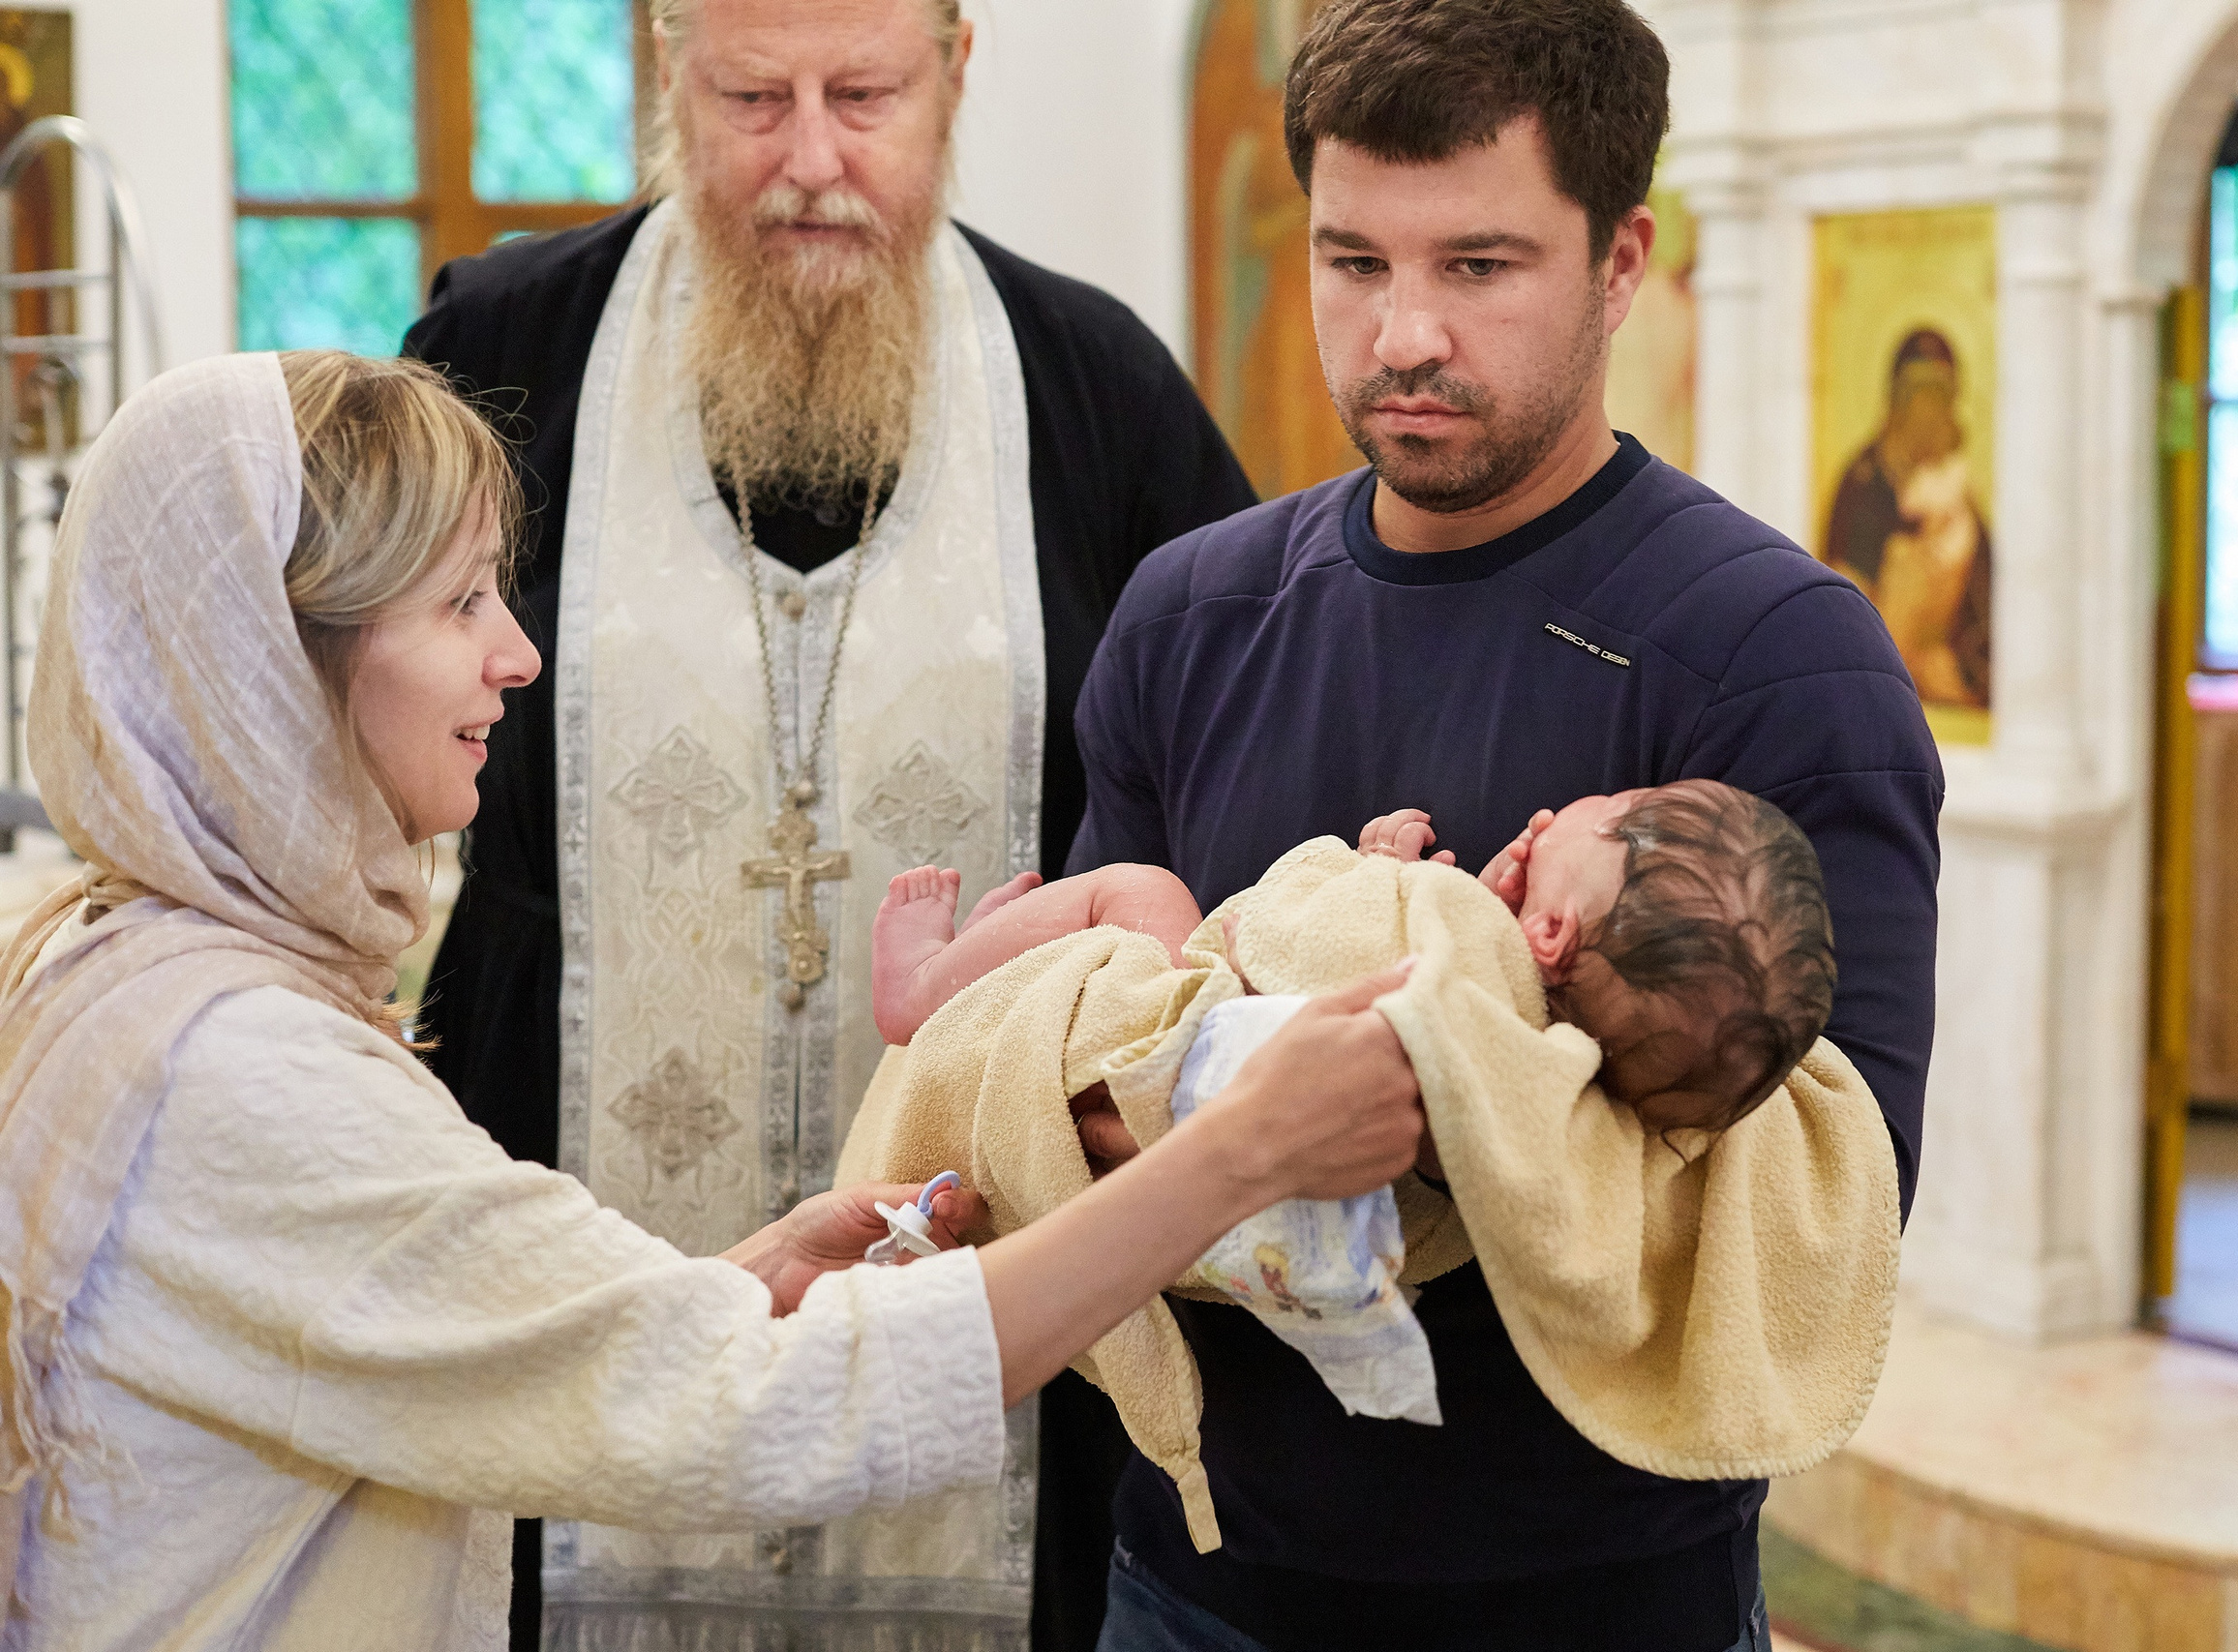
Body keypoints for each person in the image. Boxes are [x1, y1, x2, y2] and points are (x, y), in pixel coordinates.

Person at [0, 350, 1421, 1651]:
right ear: (274, 669)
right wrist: (1238, 1152)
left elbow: (424, 1332)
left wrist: (748, 1277)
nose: (519, 653)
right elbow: (742, 1411)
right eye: (458, 601)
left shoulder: (129, 972)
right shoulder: (242, 1071)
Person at [1064, 2, 1946, 1647]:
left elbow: (1829, 1202)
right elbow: (1071, 1081)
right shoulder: (1193, 611)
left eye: (1479, 266)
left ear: (1622, 264)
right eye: (1353, 261)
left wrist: (1274, 1115)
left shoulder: (1777, 657)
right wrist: (1311, 1115)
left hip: (1592, 1600)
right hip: (1191, 1580)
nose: (1402, 334)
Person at [399, 0, 1255, 1642]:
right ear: (666, 71)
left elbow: (1218, 795)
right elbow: (343, 708)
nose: (809, 160)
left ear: (955, 71)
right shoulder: (504, 355)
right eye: (748, 96)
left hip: (998, 1248)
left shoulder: (1094, 389)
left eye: (863, 95)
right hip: (557, 1200)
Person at [871, 784, 1836, 1143]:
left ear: (1550, 939)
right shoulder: (1542, 1051)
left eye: (1623, 818)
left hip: (1180, 1047)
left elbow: (1298, 940)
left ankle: (924, 985)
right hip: (1227, 1120)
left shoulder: (1451, 941)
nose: (1605, 798)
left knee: (1137, 894)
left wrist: (1370, 870)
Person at [1820, 328, 1993, 709]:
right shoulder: (1864, 485)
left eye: (1940, 396)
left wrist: (1961, 666)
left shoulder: (1959, 493)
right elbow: (1844, 611)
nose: (1929, 411)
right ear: (1897, 402)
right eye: (1919, 394)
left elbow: (1986, 605)